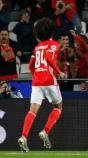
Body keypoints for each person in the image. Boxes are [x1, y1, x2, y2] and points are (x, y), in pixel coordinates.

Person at [18, 18, 65, 152]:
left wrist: (36, 75)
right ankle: (45, 131)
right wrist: (59, 72)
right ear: (51, 31)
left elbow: (30, 66)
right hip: (49, 80)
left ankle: (23, 137)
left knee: (32, 111)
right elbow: (49, 58)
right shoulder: (54, 44)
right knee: (58, 107)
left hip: (36, 82)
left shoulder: (37, 47)